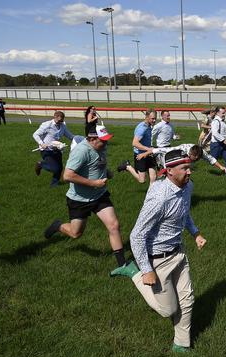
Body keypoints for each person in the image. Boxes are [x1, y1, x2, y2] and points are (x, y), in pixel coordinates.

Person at [112, 150, 207, 353]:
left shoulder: (188, 186)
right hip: (158, 259)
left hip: (179, 252)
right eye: (184, 168)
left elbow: (184, 212)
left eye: (190, 167)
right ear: (169, 171)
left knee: (187, 299)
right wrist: (146, 269)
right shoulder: (159, 197)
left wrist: (196, 233)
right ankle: (133, 272)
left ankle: (181, 344)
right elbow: (137, 235)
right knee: (168, 310)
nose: (189, 172)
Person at [43, 125, 131, 276]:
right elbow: (68, 175)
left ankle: (122, 265)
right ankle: (58, 226)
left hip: (99, 195)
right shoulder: (81, 151)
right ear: (91, 139)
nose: (105, 143)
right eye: (102, 141)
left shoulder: (101, 147)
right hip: (79, 199)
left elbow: (97, 163)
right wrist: (93, 183)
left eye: (106, 140)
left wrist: (106, 173)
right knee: (76, 233)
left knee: (114, 225)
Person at [33, 111, 76, 187]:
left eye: (62, 121)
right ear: (55, 117)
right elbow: (35, 134)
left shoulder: (63, 126)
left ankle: (54, 185)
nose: (60, 122)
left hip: (57, 149)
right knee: (54, 168)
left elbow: (70, 136)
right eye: (59, 121)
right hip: (46, 150)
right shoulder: (46, 125)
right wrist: (41, 143)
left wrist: (79, 139)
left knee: (59, 168)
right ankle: (40, 164)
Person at [117, 109, 157, 185]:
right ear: (147, 117)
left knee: (153, 178)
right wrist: (148, 149)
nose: (154, 120)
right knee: (142, 180)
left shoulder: (149, 126)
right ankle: (127, 166)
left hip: (148, 154)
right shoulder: (142, 128)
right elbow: (135, 143)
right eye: (152, 118)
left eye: (155, 118)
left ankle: (152, 196)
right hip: (140, 155)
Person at [137, 143, 226, 175]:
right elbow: (163, 149)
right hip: (165, 158)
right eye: (190, 157)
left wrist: (221, 167)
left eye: (193, 159)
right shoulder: (181, 150)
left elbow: (211, 159)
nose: (191, 159)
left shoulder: (202, 153)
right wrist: (146, 153)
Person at [210, 106, 226, 177]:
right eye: (223, 113)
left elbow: (221, 130)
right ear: (217, 113)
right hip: (216, 144)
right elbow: (215, 133)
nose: (224, 114)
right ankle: (201, 156)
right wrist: (223, 140)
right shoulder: (216, 121)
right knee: (212, 160)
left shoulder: (221, 121)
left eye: (225, 113)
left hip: (222, 144)